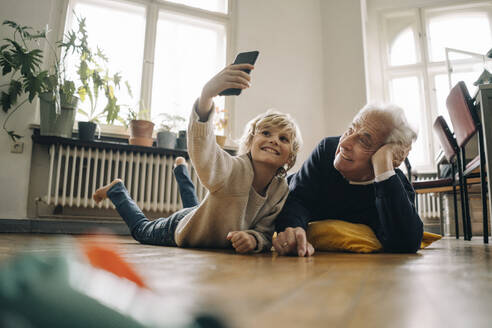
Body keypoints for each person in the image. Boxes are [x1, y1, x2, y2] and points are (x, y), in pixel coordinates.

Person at [93, 63, 302, 253]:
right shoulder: (231, 168)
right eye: (266, 133)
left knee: (197, 206)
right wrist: (206, 97)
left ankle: (180, 170)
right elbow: (204, 150)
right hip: (179, 229)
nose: (274, 140)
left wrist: (253, 239)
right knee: (141, 230)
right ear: (250, 140)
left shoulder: (280, 190)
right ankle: (117, 190)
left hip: (204, 217)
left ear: (290, 157)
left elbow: (265, 232)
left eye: (283, 138)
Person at [273, 103, 423, 257]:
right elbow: (297, 198)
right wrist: (292, 228)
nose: (344, 143)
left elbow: (406, 243)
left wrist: (384, 169)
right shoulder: (327, 150)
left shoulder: (391, 185)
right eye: (350, 130)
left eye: (364, 141)